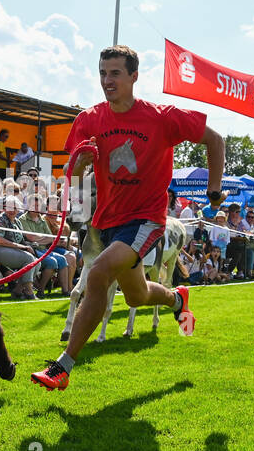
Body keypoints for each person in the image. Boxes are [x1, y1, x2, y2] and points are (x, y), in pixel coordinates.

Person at [32, 44, 225, 390]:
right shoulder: (89, 119)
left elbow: (215, 140)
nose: (107, 80)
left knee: (99, 274)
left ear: (134, 76)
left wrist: (213, 190)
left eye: (116, 73)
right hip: (107, 221)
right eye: (103, 73)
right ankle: (177, 298)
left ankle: (63, 366)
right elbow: (71, 177)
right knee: (136, 296)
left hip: (145, 219)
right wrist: (80, 165)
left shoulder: (161, 117)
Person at [0, 196, 40, 299]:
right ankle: (28, 291)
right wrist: (21, 247)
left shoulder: (17, 222)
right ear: (4, 209)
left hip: (14, 250)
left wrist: (29, 246)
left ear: (18, 209)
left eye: (14, 208)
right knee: (29, 259)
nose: (12, 211)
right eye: (9, 208)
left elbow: (22, 240)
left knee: (37, 262)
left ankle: (18, 290)